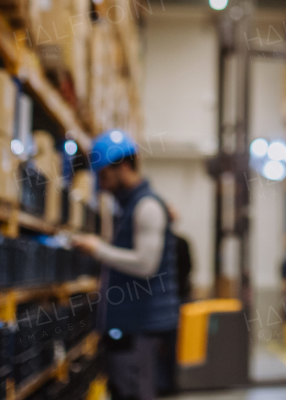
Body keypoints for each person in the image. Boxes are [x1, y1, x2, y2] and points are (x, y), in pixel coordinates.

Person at [74, 130, 180, 400]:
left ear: (122, 167)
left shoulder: (147, 207)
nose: (102, 182)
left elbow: (146, 264)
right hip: (131, 326)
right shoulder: (130, 206)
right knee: (124, 390)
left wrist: (98, 249)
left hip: (141, 329)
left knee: (136, 391)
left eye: (104, 174)